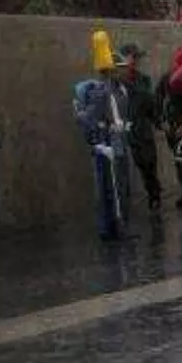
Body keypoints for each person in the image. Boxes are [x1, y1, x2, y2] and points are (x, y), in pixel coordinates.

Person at [73, 30, 131, 240]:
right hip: (104, 146)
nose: (124, 72)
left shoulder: (122, 91)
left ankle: (121, 224)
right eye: (120, 69)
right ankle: (107, 229)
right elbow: (89, 119)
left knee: (121, 188)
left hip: (120, 143)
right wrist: (97, 142)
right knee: (107, 189)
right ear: (111, 71)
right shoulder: (99, 92)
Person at [117, 42, 164, 212]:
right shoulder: (116, 81)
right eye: (133, 57)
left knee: (149, 164)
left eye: (137, 57)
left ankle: (154, 195)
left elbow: (149, 104)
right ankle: (124, 205)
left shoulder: (143, 79)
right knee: (126, 169)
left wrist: (159, 122)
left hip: (142, 128)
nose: (135, 61)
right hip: (122, 129)